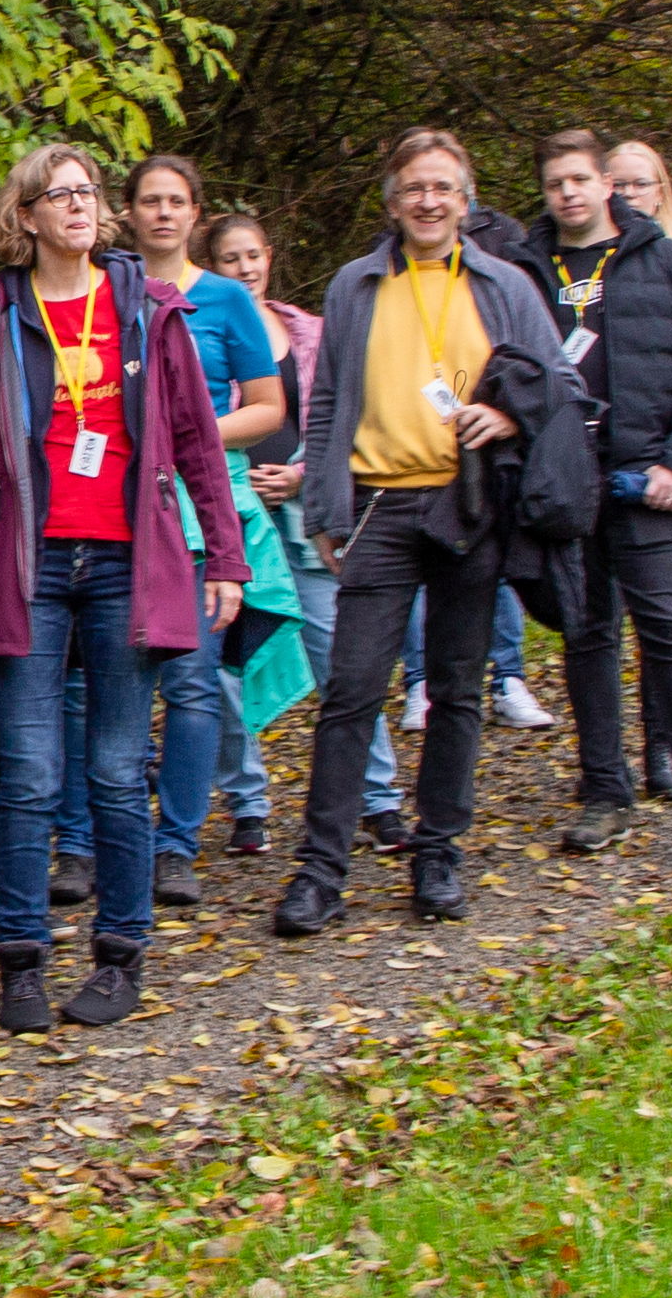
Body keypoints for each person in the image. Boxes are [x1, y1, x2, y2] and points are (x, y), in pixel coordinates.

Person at [0, 144, 245, 1034]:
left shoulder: (147, 309)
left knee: (112, 768)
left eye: (85, 192)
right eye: (55, 194)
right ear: (23, 216)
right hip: (24, 567)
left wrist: (226, 557)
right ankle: (21, 962)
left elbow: (195, 443)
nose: (76, 205)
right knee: (27, 771)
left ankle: (119, 956)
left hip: (124, 565)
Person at [274, 132, 585, 936]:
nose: (428, 201)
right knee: (351, 692)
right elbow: (329, 399)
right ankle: (321, 871)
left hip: (471, 507)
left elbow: (562, 379)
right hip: (379, 506)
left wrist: (509, 412)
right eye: (415, 188)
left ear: (466, 200)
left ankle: (438, 852)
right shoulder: (356, 285)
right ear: (392, 201)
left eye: (444, 188)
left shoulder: (505, 284)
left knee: (455, 689)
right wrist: (325, 511)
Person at [518, 130, 672, 874]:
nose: (569, 194)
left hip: (651, 485)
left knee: (670, 635)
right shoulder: (522, 271)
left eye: (581, 179)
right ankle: (604, 791)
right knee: (586, 637)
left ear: (607, 184)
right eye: (556, 183)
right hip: (564, 490)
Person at [106, 153, 292, 891]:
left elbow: (269, 405)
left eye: (176, 201)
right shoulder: (105, 293)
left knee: (191, 683)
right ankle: (95, 837)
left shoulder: (225, 300)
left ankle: (176, 841)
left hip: (197, 506)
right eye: (148, 200)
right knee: (106, 684)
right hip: (115, 510)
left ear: (195, 215)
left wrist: (190, 432)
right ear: (128, 212)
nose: (161, 213)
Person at [194, 206, 318, 861]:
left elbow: (333, 415)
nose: (245, 269)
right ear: (210, 268)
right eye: (229, 259)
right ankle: (248, 801)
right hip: (231, 509)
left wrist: (303, 475)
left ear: (270, 255)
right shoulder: (200, 323)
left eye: (252, 255)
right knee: (226, 665)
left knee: (337, 652)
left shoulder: (307, 330)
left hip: (303, 512)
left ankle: (375, 798)